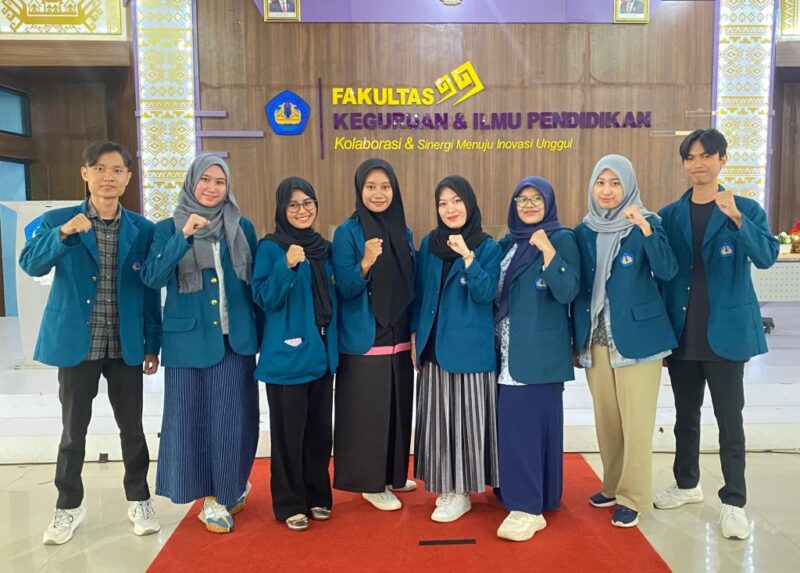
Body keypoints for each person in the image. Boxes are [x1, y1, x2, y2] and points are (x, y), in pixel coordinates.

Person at [19, 140, 162, 545]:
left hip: (125, 344)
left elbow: (150, 290)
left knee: (132, 429)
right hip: (77, 343)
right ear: (85, 173)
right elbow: (31, 264)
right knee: (73, 431)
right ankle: (68, 506)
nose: (108, 177)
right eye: (99, 169)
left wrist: (152, 343)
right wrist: (64, 233)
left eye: (117, 170)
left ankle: (139, 499)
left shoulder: (143, 229)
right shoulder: (58, 220)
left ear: (128, 177)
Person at [654, 129, 779, 540]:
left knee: (729, 420)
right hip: (683, 333)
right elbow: (664, 273)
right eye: (691, 157)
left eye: (707, 155)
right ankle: (687, 484)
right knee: (685, 417)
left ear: (723, 160)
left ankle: (734, 502)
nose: (699, 164)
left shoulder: (746, 208)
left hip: (726, 334)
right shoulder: (670, 215)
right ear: (684, 164)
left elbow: (766, 257)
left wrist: (738, 220)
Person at [140, 154, 260, 534]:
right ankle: (210, 497)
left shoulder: (241, 226)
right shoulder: (167, 228)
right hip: (188, 342)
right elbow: (152, 278)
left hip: (235, 340)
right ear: (192, 183)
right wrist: (183, 238)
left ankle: (228, 488)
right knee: (192, 421)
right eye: (204, 180)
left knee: (233, 420)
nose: (211, 187)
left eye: (219, 182)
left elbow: (255, 284)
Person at [573, 154, 678, 528]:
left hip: (638, 339)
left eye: (615, 183)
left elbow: (667, 270)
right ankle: (614, 485)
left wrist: (645, 229)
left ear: (628, 186)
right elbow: (580, 288)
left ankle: (634, 497)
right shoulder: (583, 231)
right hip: (596, 338)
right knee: (607, 419)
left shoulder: (648, 223)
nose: (607, 191)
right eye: (601, 183)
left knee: (636, 422)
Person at [493, 177, 580, 541]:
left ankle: (528, 508)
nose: (528, 205)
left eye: (536, 199)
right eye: (522, 199)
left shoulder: (562, 238)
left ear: (548, 203)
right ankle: (533, 495)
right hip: (506, 352)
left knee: (525, 430)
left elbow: (568, 290)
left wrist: (547, 251)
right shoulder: (506, 244)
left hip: (538, 353)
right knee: (516, 429)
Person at [411, 175, 501, 523]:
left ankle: (463, 492)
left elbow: (486, 294)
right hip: (433, 347)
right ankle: (445, 487)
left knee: (465, 422)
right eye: (442, 203)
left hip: (469, 351)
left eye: (456, 201)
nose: (450, 209)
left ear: (470, 203)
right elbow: (420, 293)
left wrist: (468, 257)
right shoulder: (429, 243)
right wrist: (415, 336)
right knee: (439, 422)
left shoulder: (487, 246)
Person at [252, 177, 338, 531]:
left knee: (319, 433)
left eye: (308, 203)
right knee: (289, 435)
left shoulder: (325, 249)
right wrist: (285, 266)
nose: (302, 211)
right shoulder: (271, 247)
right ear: (281, 209)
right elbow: (264, 298)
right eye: (293, 205)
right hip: (287, 357)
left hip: (322, 353)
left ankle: (317, 495)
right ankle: (290, 502)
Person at [332, 158, 417, 510]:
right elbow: (345, 288)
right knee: (368, 413)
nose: (378, 194)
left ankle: (392, 475)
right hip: (365, 338)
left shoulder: (404, 231)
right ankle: (370, 482)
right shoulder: (347, 232)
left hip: (399, 336)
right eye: (370, 187)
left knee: (397, 409)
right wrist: (365, 262)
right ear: (359, 190)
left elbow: (411, 283)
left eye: (385, 187)